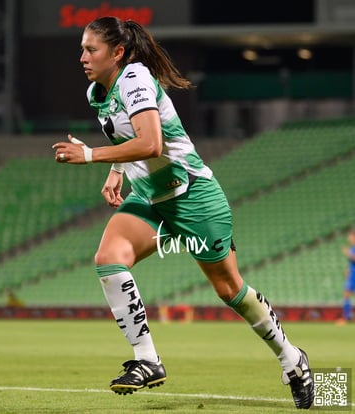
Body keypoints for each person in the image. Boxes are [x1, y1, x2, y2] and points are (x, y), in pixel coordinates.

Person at [52, 16, 314, 409]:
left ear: (118, 53)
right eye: (82, 49)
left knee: (230, 290)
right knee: (108, 259)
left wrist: (90, 155)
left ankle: (293, 360)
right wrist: (116, 171)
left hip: (193, 196)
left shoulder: (135, 78)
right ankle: (148, 361)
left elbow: (152, 143)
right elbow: (128, 134)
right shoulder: (97, 92)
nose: (82, 57)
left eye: (91, 50)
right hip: (150, 197)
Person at [337, 227, 355, 325]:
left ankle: (346, 317)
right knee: (346, 294)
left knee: (347, 294)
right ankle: (346, 318)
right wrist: (348, 270)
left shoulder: (352, 249)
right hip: (352, 275)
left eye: (350, 236)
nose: (349, 238)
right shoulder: (352, 248)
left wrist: (348, 253)